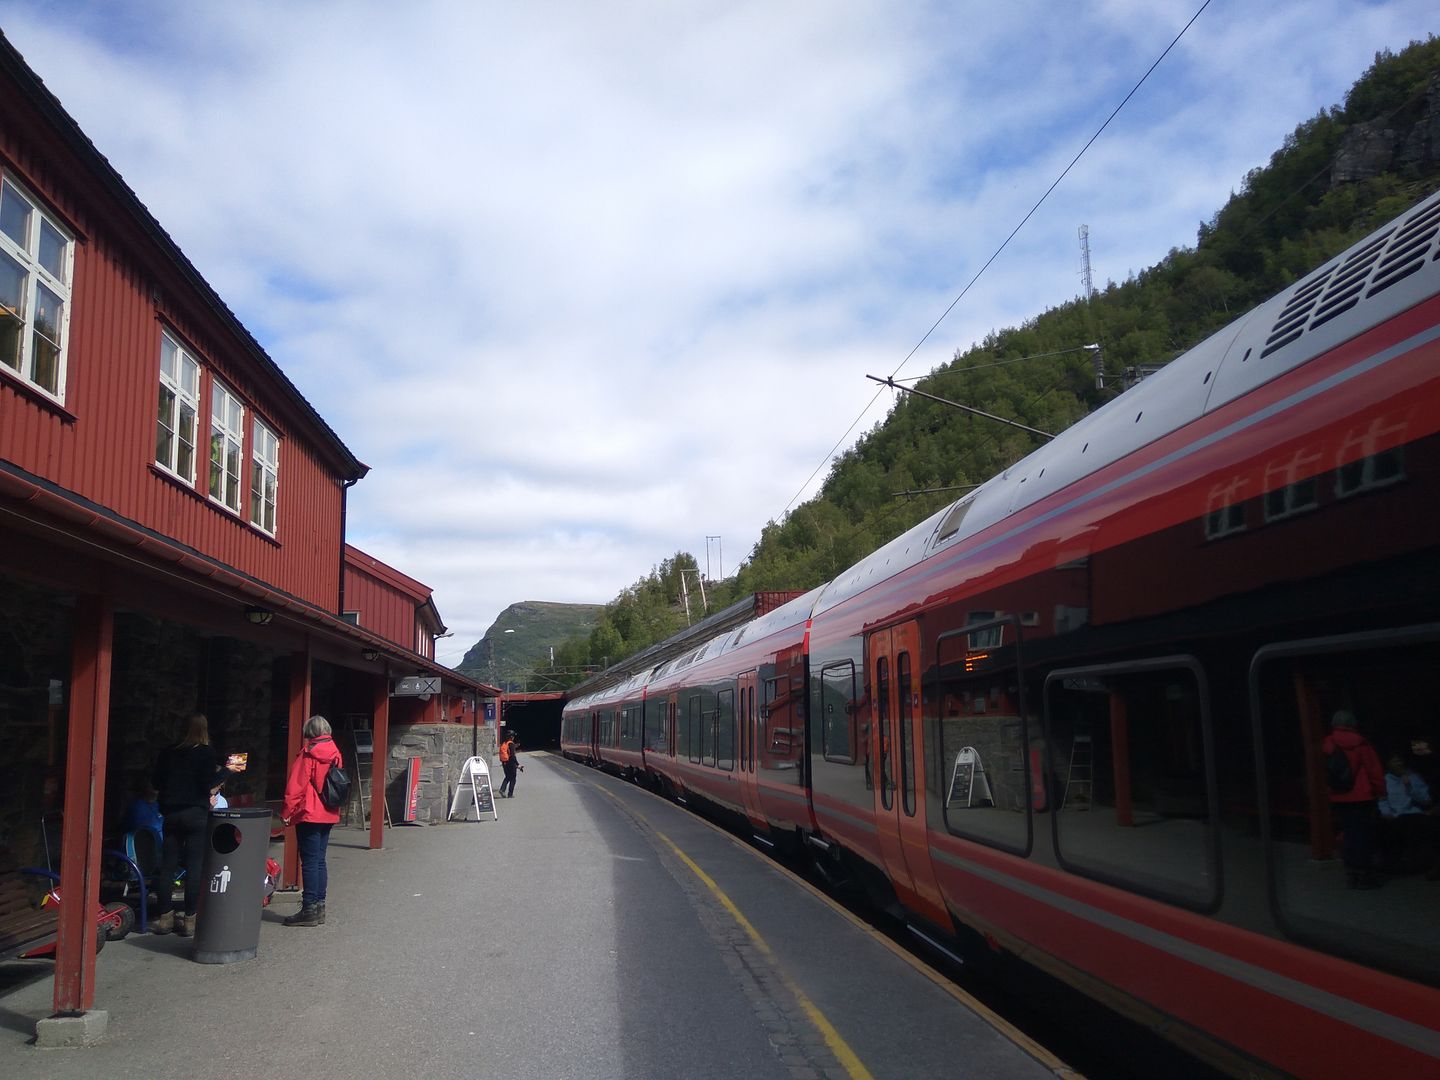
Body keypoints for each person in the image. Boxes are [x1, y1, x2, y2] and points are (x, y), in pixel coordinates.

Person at [151, 714, 243, 935]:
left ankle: (165, 918)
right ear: (204, 730)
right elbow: (208, 783)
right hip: (195, 814)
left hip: (172, 813)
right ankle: (190, 919)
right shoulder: (205, 753)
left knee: (168, 867)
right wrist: (228, 770)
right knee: (194, 867)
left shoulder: (168, 752)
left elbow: (155, 782)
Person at [281, 714, 343, 927]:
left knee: (308, 861)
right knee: (320, 860)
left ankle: (308, 908)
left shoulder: (308, 754)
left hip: (309, 811)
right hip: (328, 810)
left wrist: (287, 811)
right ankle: (319, 906)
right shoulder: (335, 753)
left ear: (310, 732)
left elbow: (295, 786)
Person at [1323, 709, 1385, 889]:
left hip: (1340, 796)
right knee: (1363, 834)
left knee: (1349, 833)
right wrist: (1381, 792)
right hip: (1362, 796)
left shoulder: (1328, 743)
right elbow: (1374, 771)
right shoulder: (1361, 743)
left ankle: (1352, 872)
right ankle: (1365, 873)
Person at [1377, 751, 1440, 880]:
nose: (1399, 764)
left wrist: (1409, 786)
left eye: (1400, 761)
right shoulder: (1384, 780)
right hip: (1395, 816)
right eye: (1395, 761)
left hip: (1413, 813)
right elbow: (1382, 800)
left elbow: (1426, 799)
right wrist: (1387, 813)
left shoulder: (1413, 776)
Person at [498, 732, 523, 798]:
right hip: (510, 763)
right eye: (513, 736)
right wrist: (517, 764)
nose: (514, 737)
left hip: (504, 762)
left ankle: (502, 789)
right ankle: (510, 794)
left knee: (508, 776)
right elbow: (512, 756)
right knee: (513, 778)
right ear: (511, 737)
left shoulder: (504, 743)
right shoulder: (511, 744)